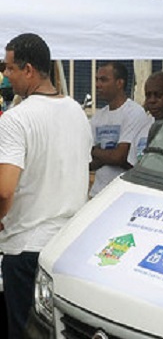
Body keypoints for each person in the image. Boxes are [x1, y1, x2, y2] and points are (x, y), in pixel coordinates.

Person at [0, 33, 91, 338]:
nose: (5, 74)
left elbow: (4, 189)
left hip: (25, 246)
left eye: (10, 68)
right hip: (66, 248)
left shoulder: (15, 120)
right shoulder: (78, 113)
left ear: (28, 70)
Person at [89, 62, 152, 196]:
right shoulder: (98, 116)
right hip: (97, 193)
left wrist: (95, 150)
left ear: (119, 83)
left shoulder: (134, 112)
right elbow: (89, 161)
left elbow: (120, 157)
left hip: (121, 194)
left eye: (104, 80)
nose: (98, 85)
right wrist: (109, 155)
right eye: (97, 80)